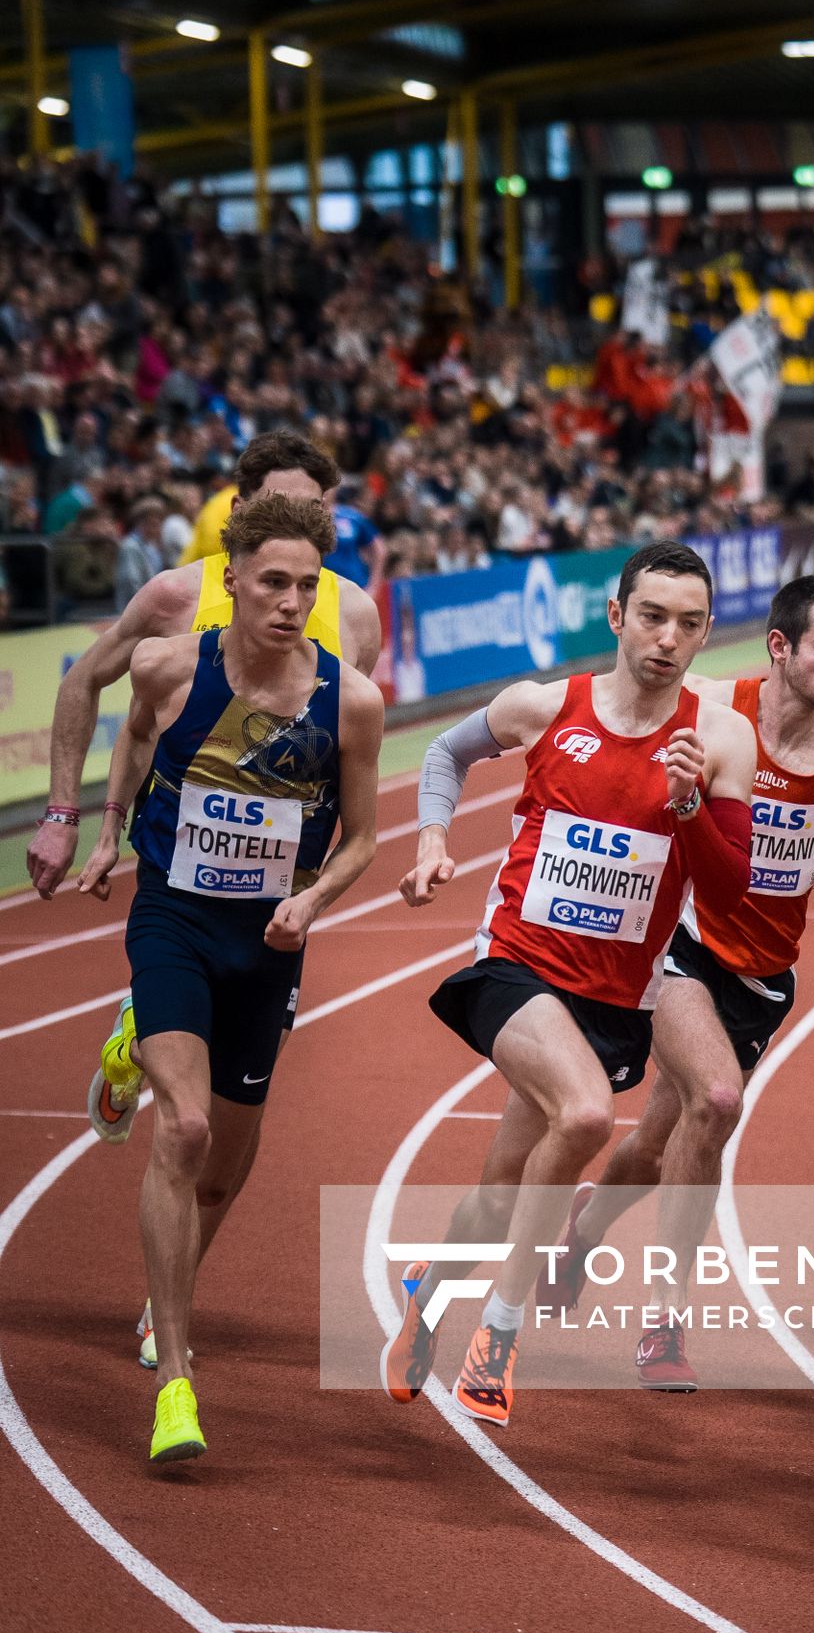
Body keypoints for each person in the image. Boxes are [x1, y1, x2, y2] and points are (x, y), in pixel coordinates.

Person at [382, 542, 756, 1427]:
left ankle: (429, 1288)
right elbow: (442, 753)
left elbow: (733, 886)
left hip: (615, 995)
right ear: (618, 616)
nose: (669, 638)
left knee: (507, 1180)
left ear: (707, 632)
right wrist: (434, 840)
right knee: (587, 1116)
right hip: (515, 961)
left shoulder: (723, 737)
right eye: (654, 616)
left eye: (690, 624)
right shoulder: (547, 706)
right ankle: (499, 1333)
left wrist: (695, 807)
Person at [534, 574, 814, 1390]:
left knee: (660, 1144)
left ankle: (584, 1227)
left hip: (765, 978)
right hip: (680, 949)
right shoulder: (710, 705)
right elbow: (617, 713)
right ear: (780, 647)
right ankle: (664, 1322)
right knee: (718, 1100)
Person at [74, 494, 385, 1462]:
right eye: (274, 583)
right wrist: (108, 828)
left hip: (269, 944)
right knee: (187, 1126)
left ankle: (132, 1053)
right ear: (234, 580)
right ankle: (175, 1381)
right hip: (173, 920)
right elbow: (129, 737)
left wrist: (314, 900)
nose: (290, 604)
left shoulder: (353, 703)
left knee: (227, 1164)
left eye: (307, 586)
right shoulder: (171, 668)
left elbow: (365, 838)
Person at [27, 430, 380, 901]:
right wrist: (64, 814)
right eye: (279, 505)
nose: (294, 523)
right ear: (239, 510)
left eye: (313, 511)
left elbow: (342, 742)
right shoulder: (176, 596)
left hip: (279, 879)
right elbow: (82, 680)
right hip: (174, 860)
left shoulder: (354, 613)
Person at [114, 496, 168, 611]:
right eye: (153, 520)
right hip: (135, 610)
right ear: (141, 522)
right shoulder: (130, 546)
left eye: (160, 519)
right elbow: (131, 583)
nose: (158, 524)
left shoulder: (153, 544)